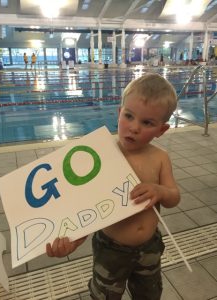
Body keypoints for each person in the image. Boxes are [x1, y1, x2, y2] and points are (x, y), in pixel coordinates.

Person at [46, 73, 180, 300]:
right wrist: (73, 241)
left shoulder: (160, 158)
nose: (134, 127)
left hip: (149, 247)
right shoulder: (102, 155)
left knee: (149, 294)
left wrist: (160, 191)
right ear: (119, 113)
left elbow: (174, 197)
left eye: (147, 122)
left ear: (162, 130)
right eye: (129, 116)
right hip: (111, 249)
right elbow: (88, 206)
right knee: (105, 295)